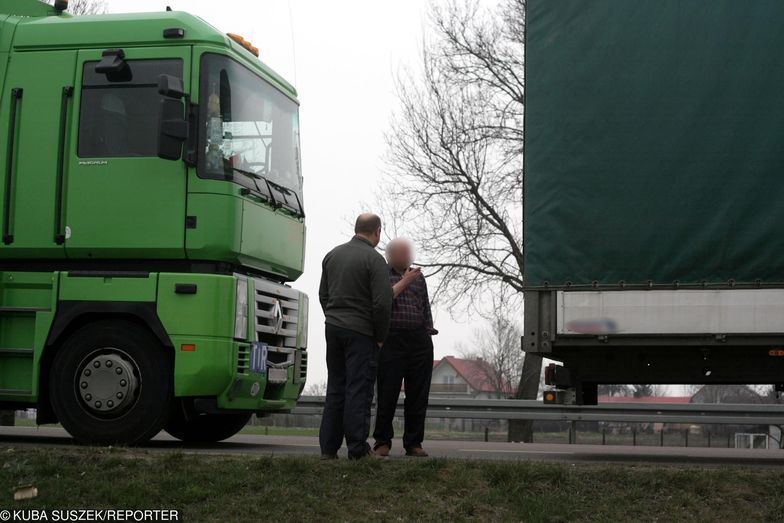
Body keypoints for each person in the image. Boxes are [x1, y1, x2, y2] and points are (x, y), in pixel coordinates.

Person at [318, 213, 394, 459]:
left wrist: (333, 317)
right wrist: (380, 335)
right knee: (358, 390)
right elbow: (383, 303)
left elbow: (323, 295)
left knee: (336, 388)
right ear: (377, 231)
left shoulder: (333, 255)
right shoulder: (374, 260)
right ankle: (358, 450)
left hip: (334, 328)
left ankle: (328, 449)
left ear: (356, 228)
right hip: (361, 332)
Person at [373, 238, 437, 457]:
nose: (406, 257)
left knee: (418, 395)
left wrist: (428, 330)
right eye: (401, 253)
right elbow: (382, 302)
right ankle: (382, 442)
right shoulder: (382, 274)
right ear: (391, 256)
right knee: (387, 393)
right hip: (392, 339)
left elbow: (425, 305)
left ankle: (413, 443)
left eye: (407, 253)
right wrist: (404, 281)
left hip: (419, 340)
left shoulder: (419, 278)